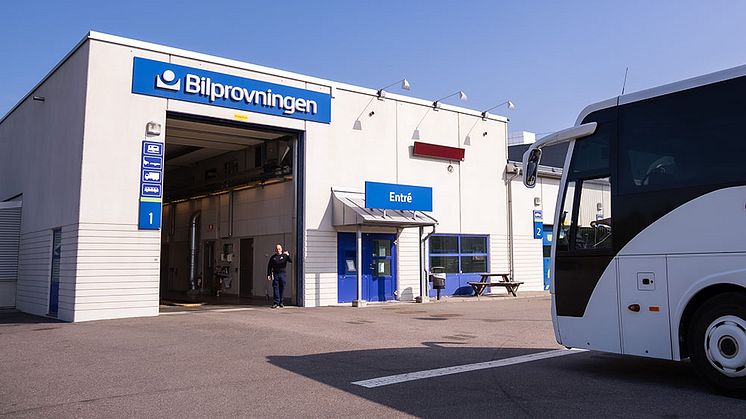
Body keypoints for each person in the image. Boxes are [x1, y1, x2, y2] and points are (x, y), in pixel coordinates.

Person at [267, 244, 292, 308]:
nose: (278, 250)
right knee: (275, 288)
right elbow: (269, 266)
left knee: (282, 287)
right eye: (277, 249)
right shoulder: (273, 257)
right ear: (275, 250)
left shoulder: (284, 256)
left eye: (279, 249)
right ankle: (276, 302)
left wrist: (288, 255)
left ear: (281, 249)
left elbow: (290, 261)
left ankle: (281, 302)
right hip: (276, 274)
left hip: (283, 274)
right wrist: (269, 274)